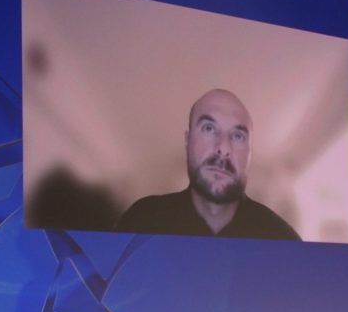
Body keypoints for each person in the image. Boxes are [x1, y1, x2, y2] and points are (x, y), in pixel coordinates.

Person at [116, 88, 301, 240]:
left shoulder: (283, 241)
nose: (223, 148)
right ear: (188, 140)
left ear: (250, 153)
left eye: (238, 136)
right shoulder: (141, 222)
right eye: (209, 128)